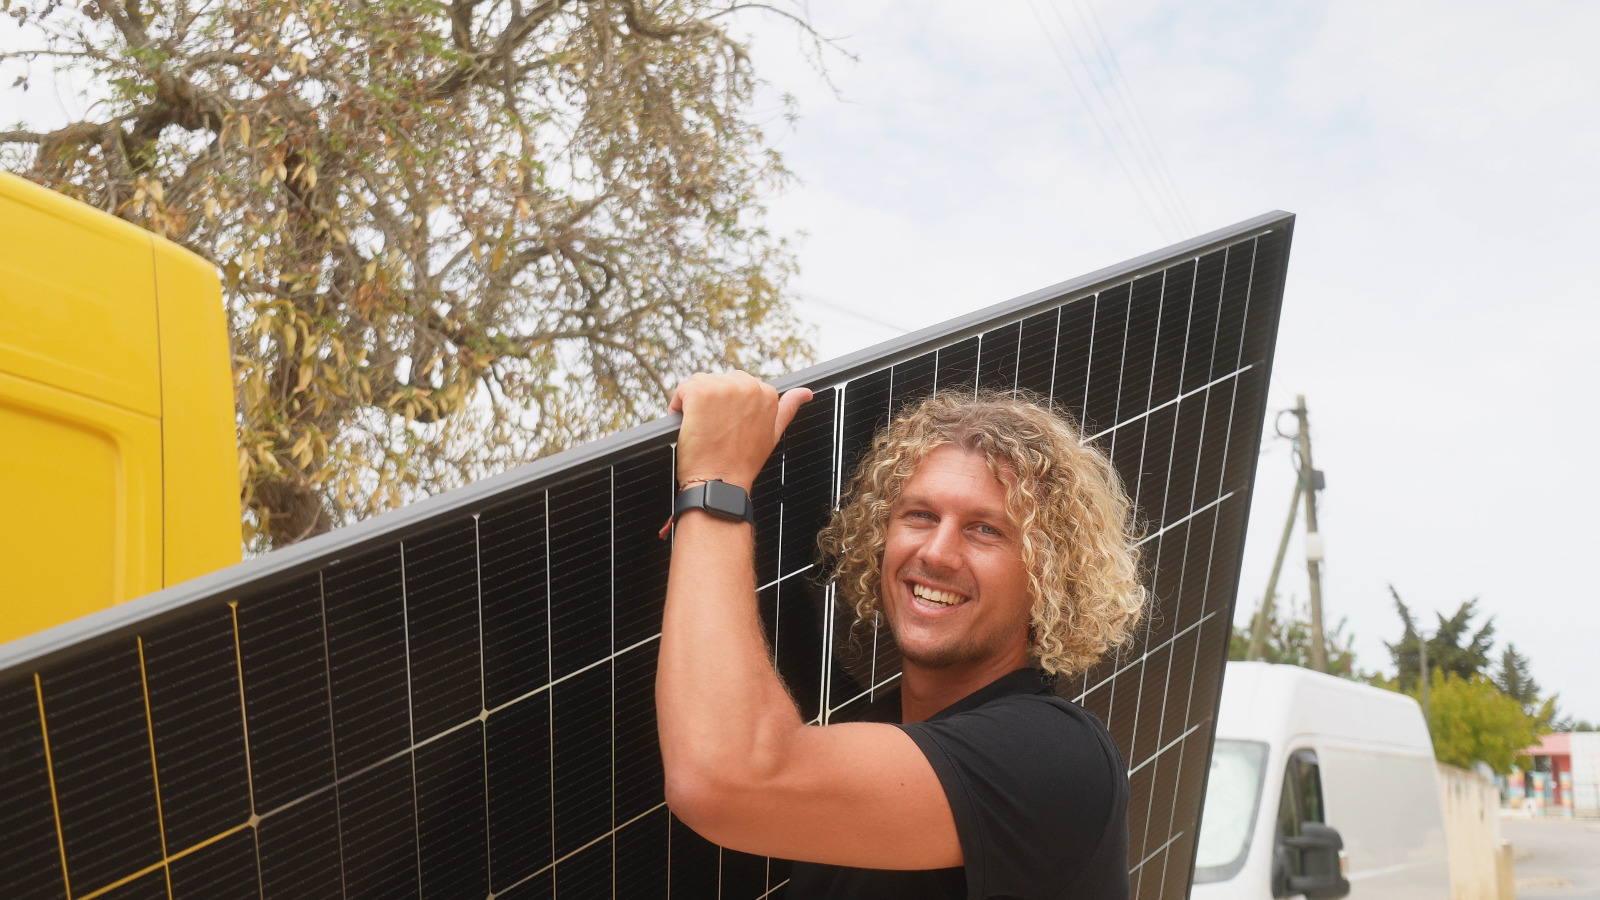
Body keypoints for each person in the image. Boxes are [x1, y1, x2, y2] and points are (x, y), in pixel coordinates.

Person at [658, 371, 1147, 899]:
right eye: (920, 515)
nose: (937, 552)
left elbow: (725, 778)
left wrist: (715, 485)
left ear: (1049, 576)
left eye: (986, 529)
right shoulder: (872, 733)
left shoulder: (1056, 756)